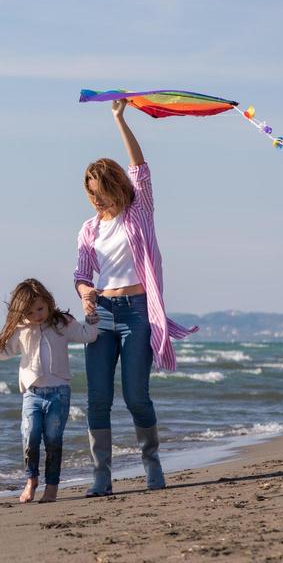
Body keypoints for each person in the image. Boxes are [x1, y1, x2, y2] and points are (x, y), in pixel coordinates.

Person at [74, 99, 197, 496]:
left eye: (102, 191)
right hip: (103, 313)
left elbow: (140, 168)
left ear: (116, 187)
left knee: (135, 394)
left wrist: (119, 119)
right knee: (97, 398)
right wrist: (85, 294)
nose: (97, 200)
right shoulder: (89, 229)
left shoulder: (139, 211)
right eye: (91, 194)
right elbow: (81, 274)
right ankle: (101, 475)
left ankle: (152, 463)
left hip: (138, 310)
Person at [0, 279, 97, 504]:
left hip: (59, 393)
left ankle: (51, 487)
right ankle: (31, 479)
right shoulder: (20, 329)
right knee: (30, 436)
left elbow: (87, 335)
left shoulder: (62, 322)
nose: (37, 315)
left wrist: (91, 318)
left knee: (53, 440)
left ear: (48, 302)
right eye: (31, 312)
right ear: (22, 312)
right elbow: (3, 352)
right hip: (32, 394)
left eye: (40, 309)